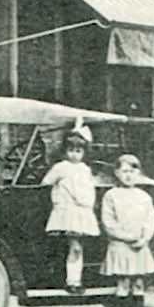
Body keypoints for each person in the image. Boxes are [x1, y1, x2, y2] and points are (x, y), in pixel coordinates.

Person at [101, 153, 154, 307]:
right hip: (121, 245)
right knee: (124, 282)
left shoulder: (144, 196)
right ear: (117, 173)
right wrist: (126, 237)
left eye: (133, 171)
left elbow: (151, 220)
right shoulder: (111, 195)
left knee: (139, 283)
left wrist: (144, 239)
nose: (128, 175)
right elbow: (108, 222)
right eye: (124, 170)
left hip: (139, 246)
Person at [41, 126, 98, 294]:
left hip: (81, 212)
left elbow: (89, 190)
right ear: (65, 151)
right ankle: (72, 281)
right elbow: (46, 182)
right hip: (66, 212)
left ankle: (74, 280)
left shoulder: (85, 169)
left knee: (77, 247)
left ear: (84, 152)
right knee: (74, 247)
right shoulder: (61, 167)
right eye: (71, 150)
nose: (74, 154)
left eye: (78, 151)